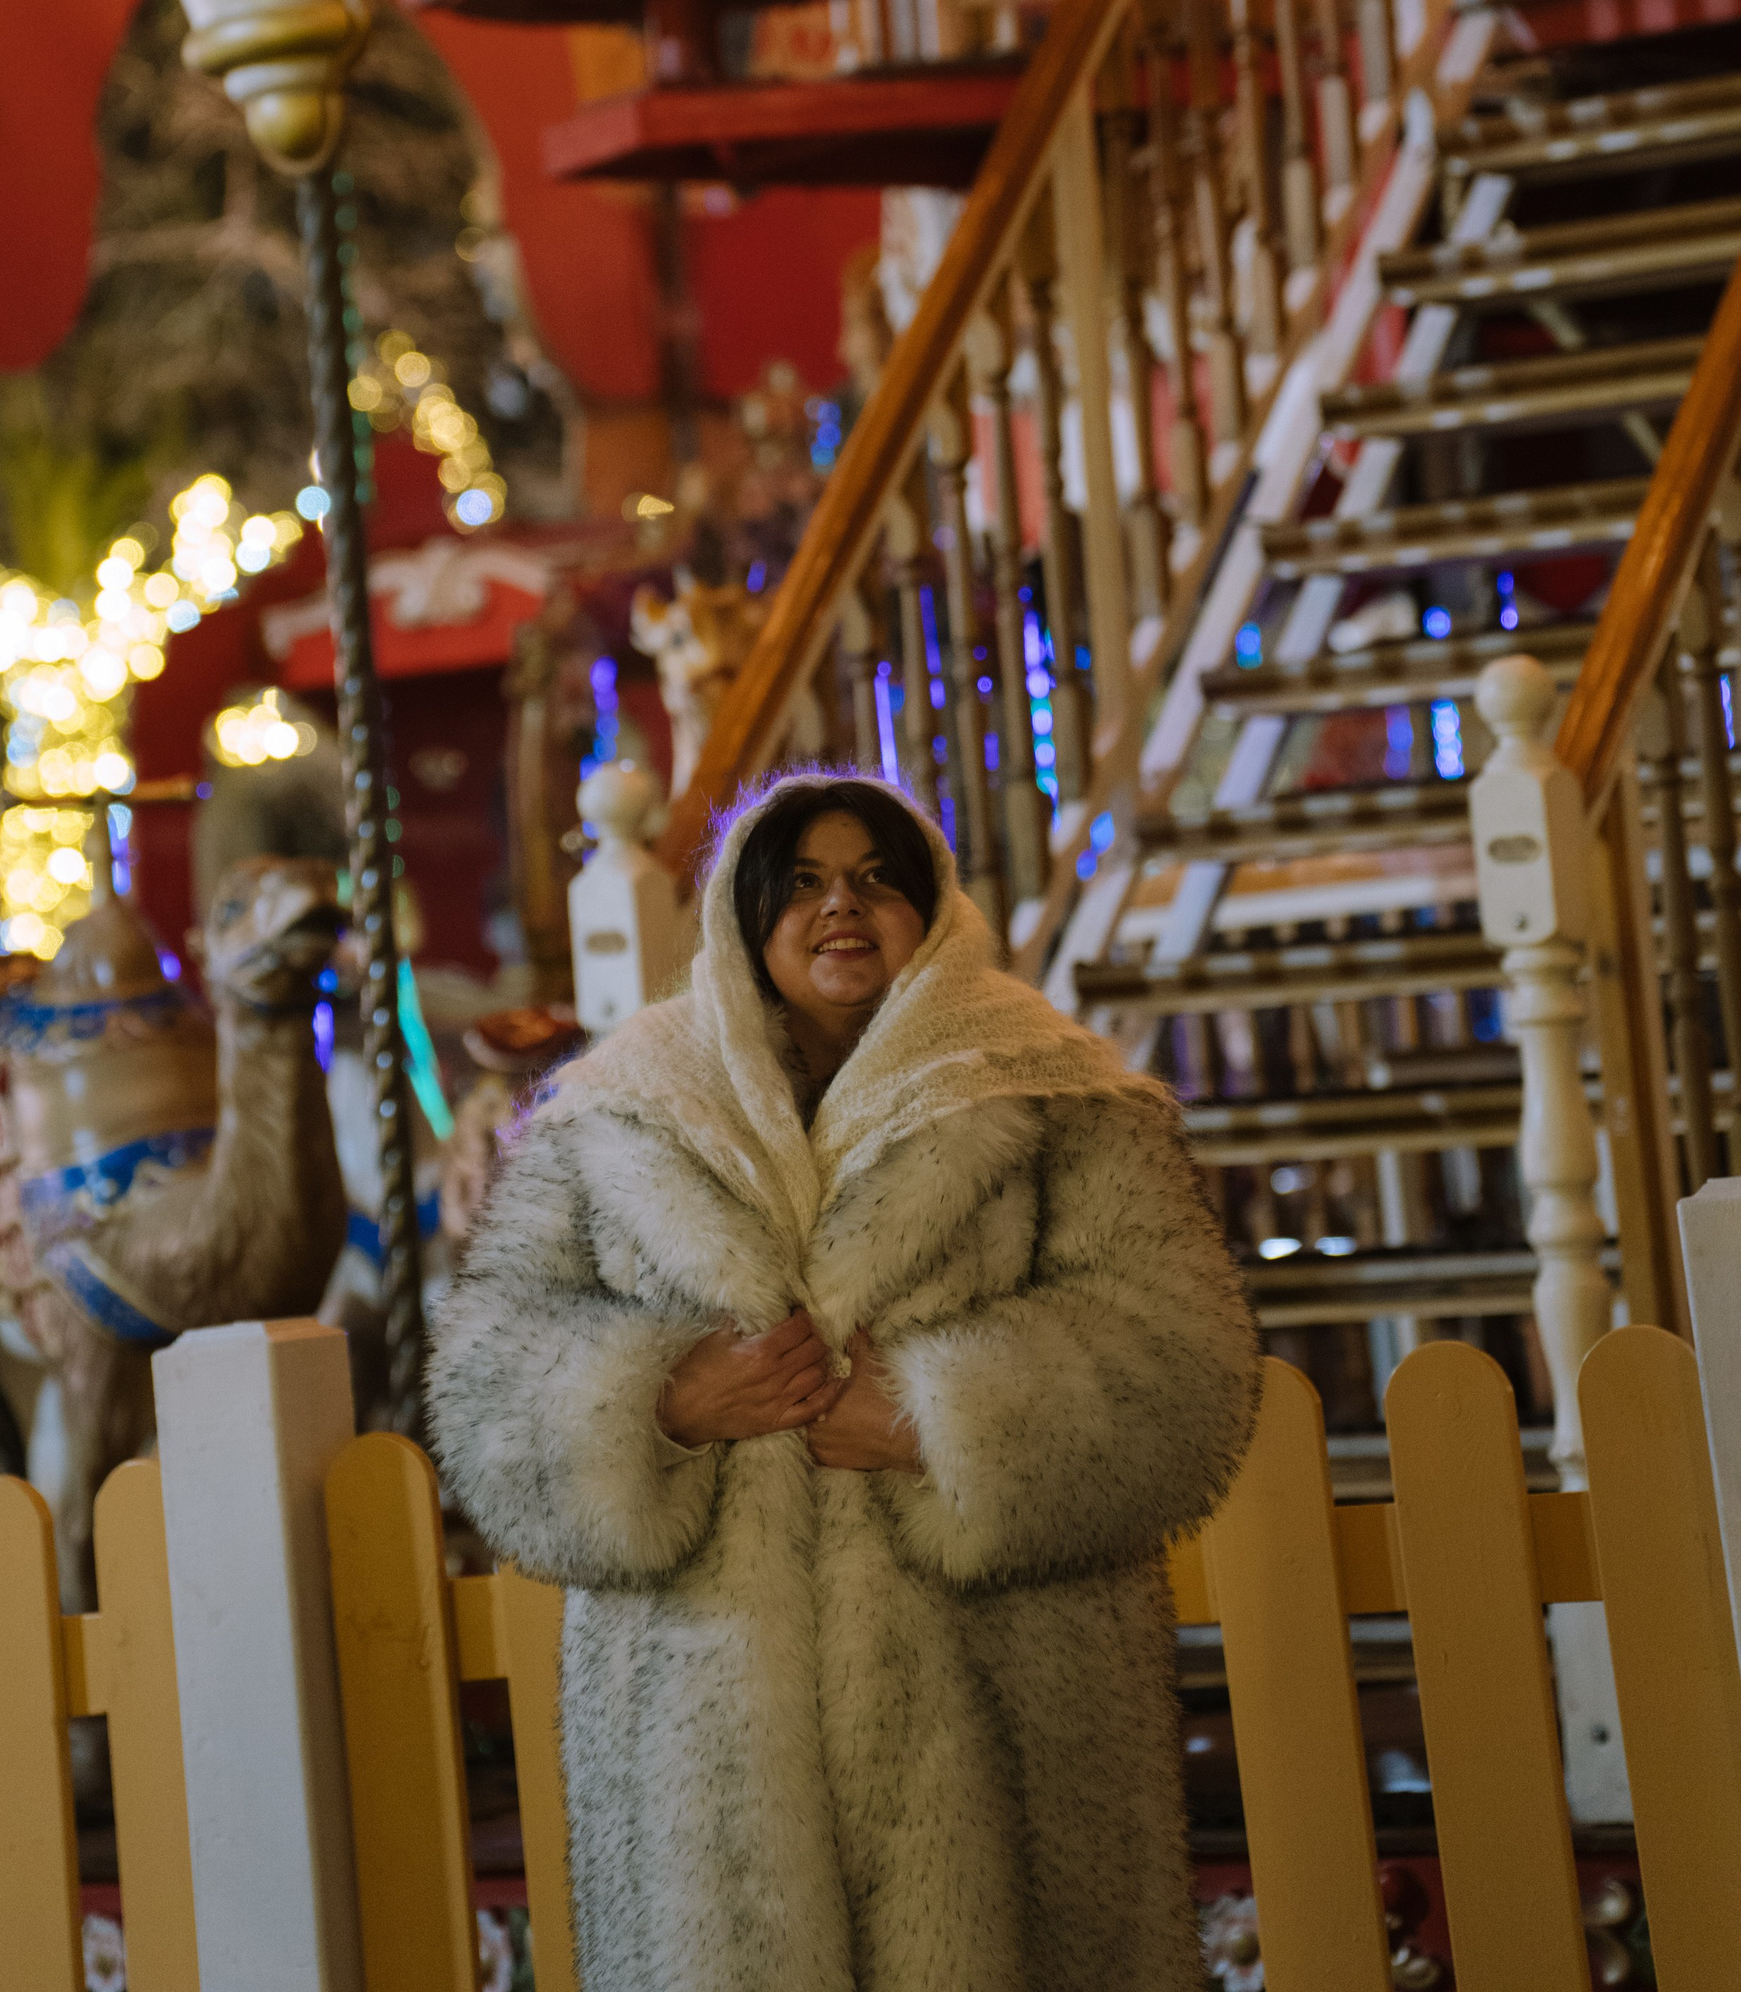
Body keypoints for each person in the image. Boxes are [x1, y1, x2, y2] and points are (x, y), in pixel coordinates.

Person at [430, 770, 1259, 1992]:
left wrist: (940, 1417)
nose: (841, 908)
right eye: (805, 882)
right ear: (746, 912)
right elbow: (489, 1372)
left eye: (876, 879)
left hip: (1000, 1717)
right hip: (704, 1753)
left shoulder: (1055, 1091)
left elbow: (1180, 1356)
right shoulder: (618, 1111)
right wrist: (662, 1401)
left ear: (931, 906)